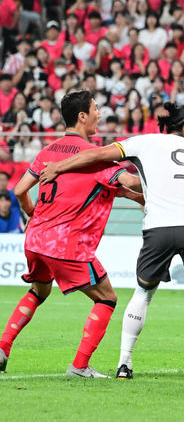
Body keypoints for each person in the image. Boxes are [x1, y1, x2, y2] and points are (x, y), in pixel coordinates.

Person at [39, 103, 184, 385]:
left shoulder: (142, 142)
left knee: (143, 293)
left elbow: (96, 154)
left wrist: (59, 166)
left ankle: (123, 364)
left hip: (158, 228)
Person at [0, 91, 142, 377]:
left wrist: (32, 215)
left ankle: (2, 347)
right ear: (82, 116)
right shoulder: (94, 157)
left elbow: (18, 190)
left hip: (36, 239)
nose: (99, 114)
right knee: (107, 298)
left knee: (38, 291)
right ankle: (80, 366)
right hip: (66, 244)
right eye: (96, 109)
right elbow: (131, 182)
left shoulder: (46, 151)